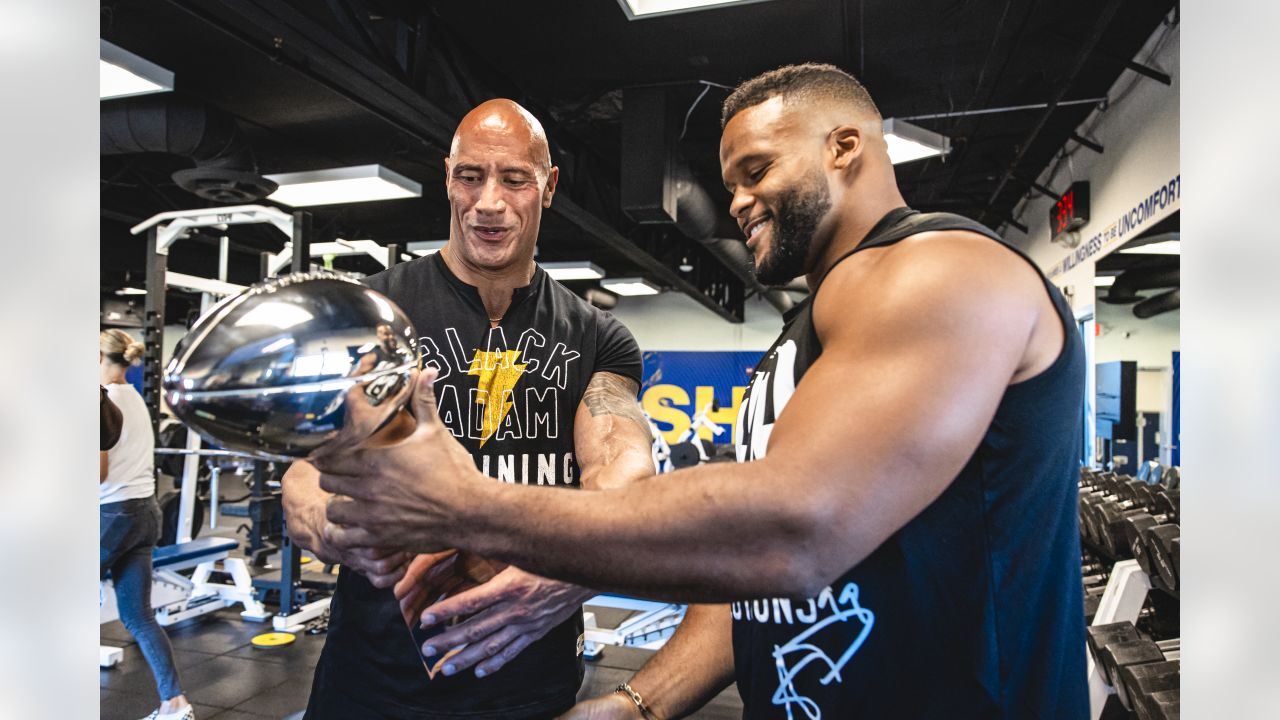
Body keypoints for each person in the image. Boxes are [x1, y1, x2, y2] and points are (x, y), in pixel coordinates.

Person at [314, 63, 1090, 719]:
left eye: (757, 171)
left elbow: (792, 534)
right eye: (730, 184)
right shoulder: (810, 333)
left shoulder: (939, 269)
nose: (740, 202)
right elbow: (747, 580)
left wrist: (464, 506)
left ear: (846, 147)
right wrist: (637, 704)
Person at [282, 98, 656, 719]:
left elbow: (622, 470)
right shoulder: (373, 314)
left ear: (549, 186)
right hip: (372, 683)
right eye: (470, 176)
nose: (489, 202)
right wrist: (329, 525)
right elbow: (304, 475)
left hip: (527, 681)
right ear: (447, 177)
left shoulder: (597, 337)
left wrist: (577, 558)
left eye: (514, 179)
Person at [99, 329, 194, 720]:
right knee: (138, 616)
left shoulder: (102, 403)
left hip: (113, 513)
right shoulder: (134, 397)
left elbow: (99, 473)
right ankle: (175, 704)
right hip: (143, 512)